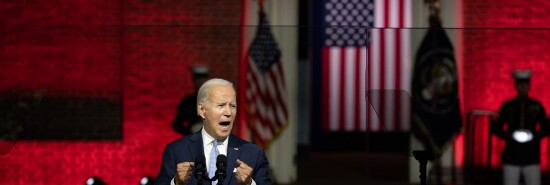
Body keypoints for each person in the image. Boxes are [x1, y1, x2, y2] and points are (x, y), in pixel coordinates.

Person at [156, 78, 272, 185]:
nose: (228, 112)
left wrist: (250, 183)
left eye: (232, 106)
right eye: (221, 105)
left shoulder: (253, 154)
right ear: (202, 110)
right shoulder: (176, 151)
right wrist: (175, 182)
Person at [490, 69, 550, 185]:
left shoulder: (537, 106)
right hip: (511, 154)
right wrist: (509, 135)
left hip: (531, 154)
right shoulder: (507, 106)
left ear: (529, 86)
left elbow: (547, 128)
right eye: (520, 84)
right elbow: (495, 128)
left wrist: (534, 136)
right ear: (516, 85)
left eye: (525, 84)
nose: (523, 87)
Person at [173, 66, 209, 136]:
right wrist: (190, 131)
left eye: (202, 80)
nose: (199, 82)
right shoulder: (187, 102)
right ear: (194, 81)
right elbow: (177, 125)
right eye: (197, 80)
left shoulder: (214, 101)